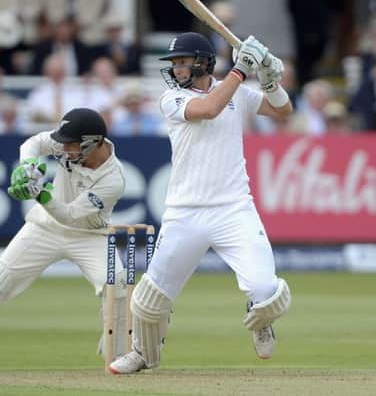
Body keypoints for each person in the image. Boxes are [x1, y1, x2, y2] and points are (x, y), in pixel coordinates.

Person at [109, 32, 293, 374]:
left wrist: (270, 80)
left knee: (268, 291)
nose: (177, 69)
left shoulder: (237, 93)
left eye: (183, 62)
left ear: (204, 62)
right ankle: (143, 354)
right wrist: (241, 70)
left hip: (234, 209)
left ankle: (260, 318)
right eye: (175, 64)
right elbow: (209, 109)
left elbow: (283, 111)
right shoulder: (171, 99)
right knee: (148, 303)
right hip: (185, 213)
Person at [0, 107, 128, 373]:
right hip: (44, 228)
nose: (63, 149)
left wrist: (39, 193)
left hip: (90, 234)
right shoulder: (69, 143)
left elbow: (72, 215)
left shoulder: (113, 179)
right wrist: (28, 166)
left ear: (91, 143)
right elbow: (34, 143)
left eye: (70, 144)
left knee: (116, 284)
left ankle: (117, 357)